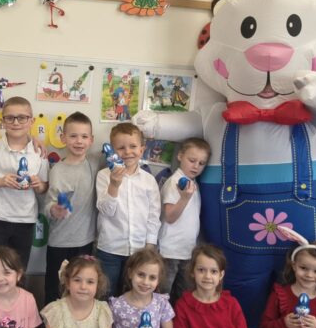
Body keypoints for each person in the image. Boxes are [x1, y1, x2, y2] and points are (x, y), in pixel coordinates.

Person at [0, 96, 48, 292]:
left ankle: (14, 310)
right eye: (10, 118)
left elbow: (45, 187)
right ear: (3, 121)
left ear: (32, 121)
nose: (16, 122)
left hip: (25, 221)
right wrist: (1, 181)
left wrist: (38, 185)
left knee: (18, 272)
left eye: (22, 118)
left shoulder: (38, 152)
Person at [95, 122, 161, 294]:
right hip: (109, 248)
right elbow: (106, 210)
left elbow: (154, 215)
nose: (127, 152)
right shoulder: (103, 176)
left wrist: (150, 245)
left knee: (133, 295)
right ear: (112, 151)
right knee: (105, 294)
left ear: (142, 149)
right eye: (121, 148)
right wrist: (114, 185)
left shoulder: (149, 180)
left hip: (139, 250)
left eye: (133, 146)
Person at [43, 111, 98, 304]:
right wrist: (55, 210)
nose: (79, 141)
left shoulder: (95, 163)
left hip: (85, 241)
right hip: (59, 241)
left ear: (91, 140)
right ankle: (49, 322)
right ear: (63, 138)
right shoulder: (57, 170)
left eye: (84, 136)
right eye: (73, 136)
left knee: (81, 290)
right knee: (55, 290)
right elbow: (48, 204)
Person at [158, 137, 211, 301]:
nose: (196, 166)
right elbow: (170, 216)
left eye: (201, 163)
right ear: (180, 156)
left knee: (182, 296)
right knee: (163, 296)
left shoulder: (193, 183)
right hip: (170, 250)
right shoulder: (174, 182)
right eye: (192, 160)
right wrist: (184, 198)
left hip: (187, 250)